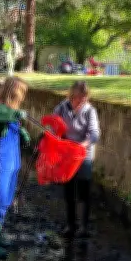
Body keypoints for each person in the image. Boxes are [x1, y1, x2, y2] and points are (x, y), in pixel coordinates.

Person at [0, 77, 30, 258]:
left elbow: (11, 123)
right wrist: (15, 116)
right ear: (15, 92)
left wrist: (21, 131)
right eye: (22, 93)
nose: (23, 97)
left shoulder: (11, 110)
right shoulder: (2, 108)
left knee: (7, 199)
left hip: (12, 161)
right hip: (2, 162)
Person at [52, 81, 100, 239]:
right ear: (72, 96)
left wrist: (83, 145)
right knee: (69, 189)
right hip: (67, 154)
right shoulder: (62, 108)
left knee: (84, 190)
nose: (81, 102)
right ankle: (71, 224)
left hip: (83, 154)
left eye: (84, 98)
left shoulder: (89, 111)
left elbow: (94, 133)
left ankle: (84, 227)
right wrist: (57, 138)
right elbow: (53, 125)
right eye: (78, 98)